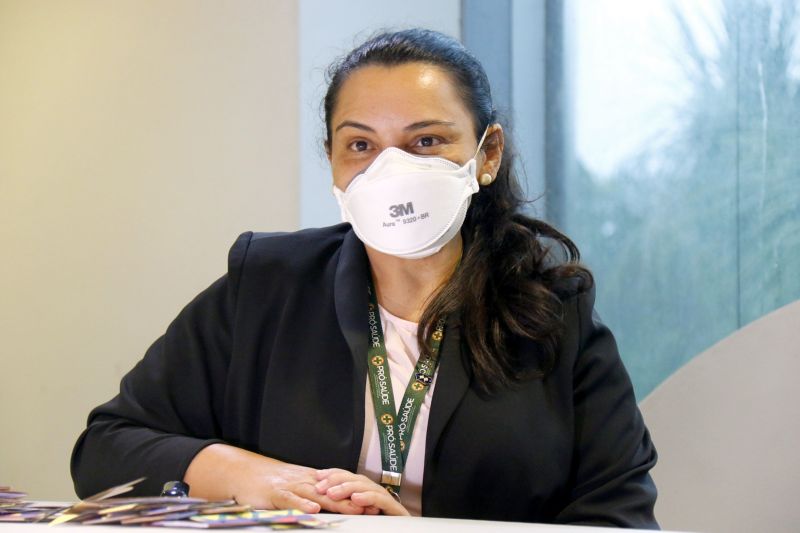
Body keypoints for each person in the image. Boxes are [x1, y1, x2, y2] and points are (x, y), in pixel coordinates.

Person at [71, 28, 658, 528]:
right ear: (332, 158)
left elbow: (619, 519)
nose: (392, 170)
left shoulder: (556, 316)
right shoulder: (266, 286)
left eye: (426, 141)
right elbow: (106, 447)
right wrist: (252, 476)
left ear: (487, 153)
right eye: (361, 145)